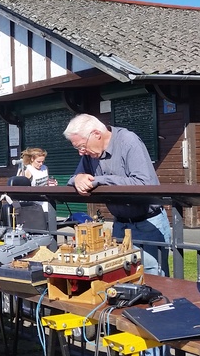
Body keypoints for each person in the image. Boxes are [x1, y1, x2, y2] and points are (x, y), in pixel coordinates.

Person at [64, 113, 171, 276]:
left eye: (81, 146)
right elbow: (74, 178)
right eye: (77, 148)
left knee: (153, 278)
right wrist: (77, 178)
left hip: (148, 223)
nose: (81, 152)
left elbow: (143, 184)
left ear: (96, 134)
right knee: (120, 278)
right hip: (120, 225)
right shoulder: (90, 154)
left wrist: (101, 180)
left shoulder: (128, 141)